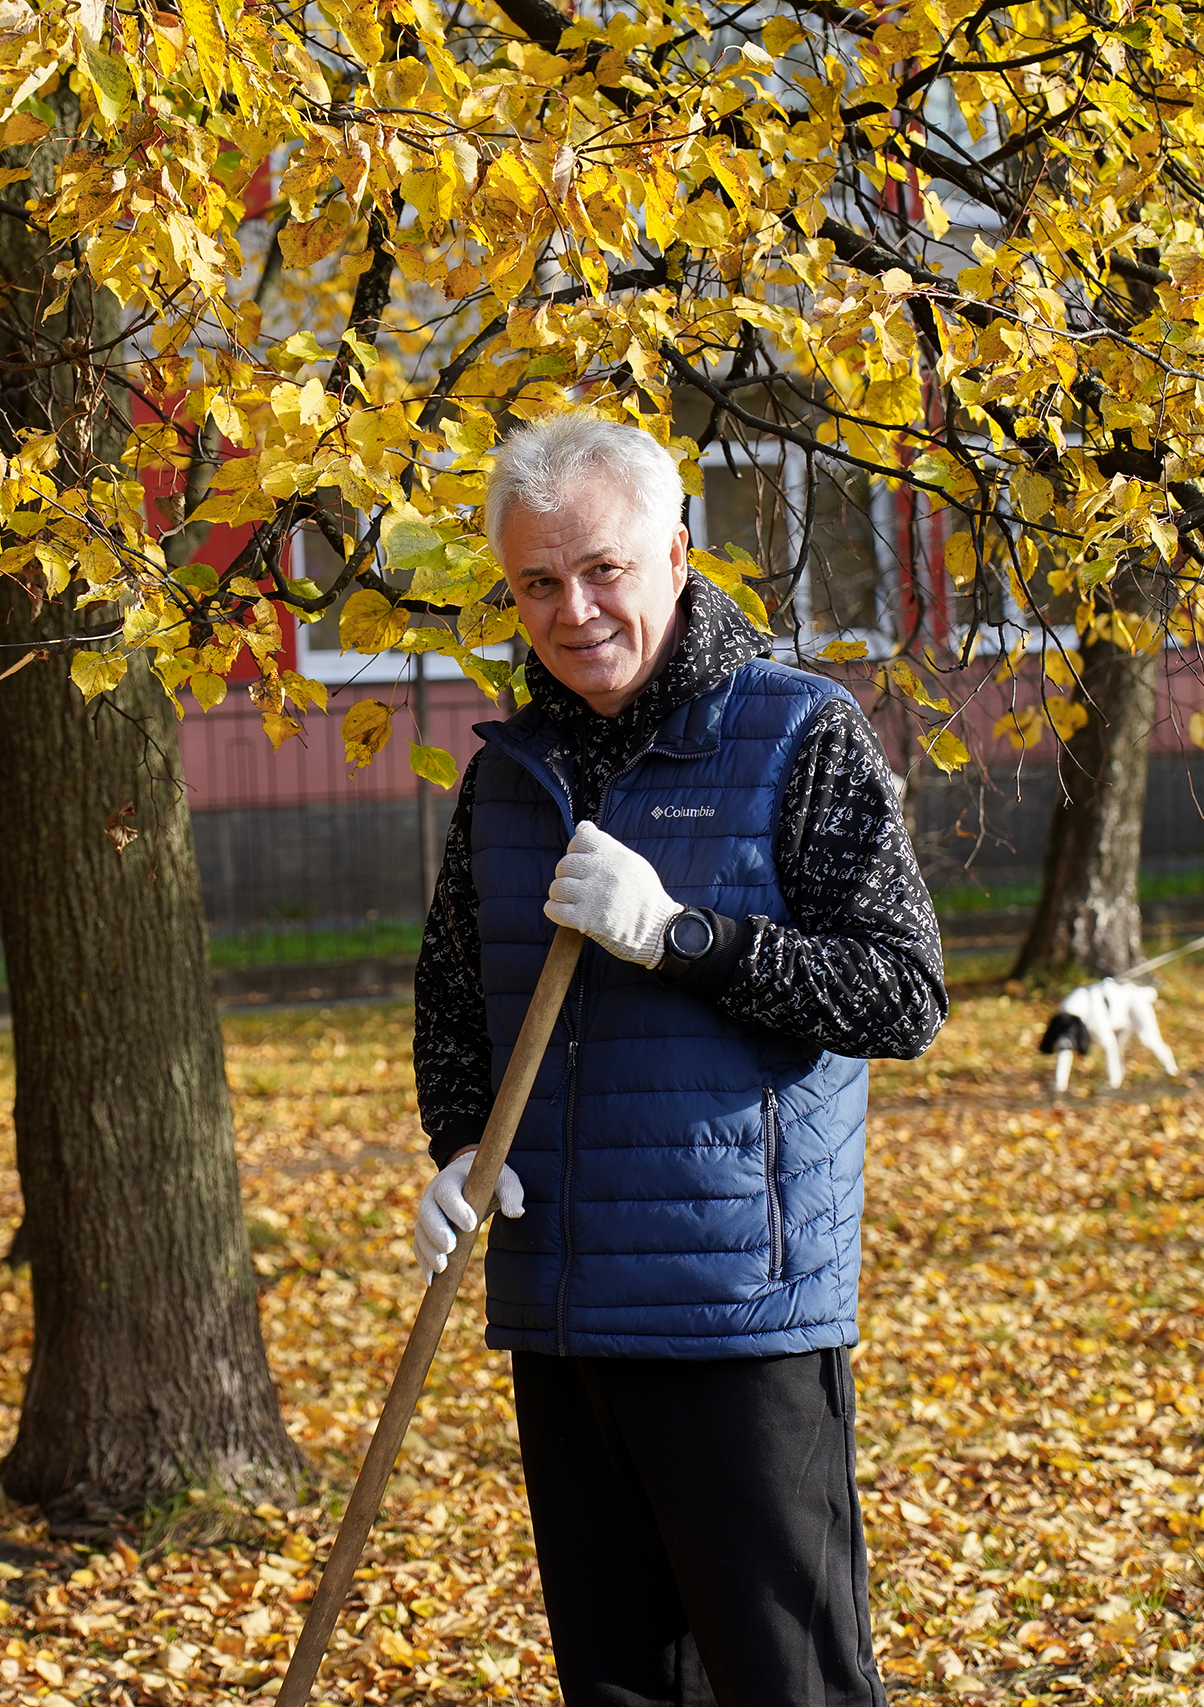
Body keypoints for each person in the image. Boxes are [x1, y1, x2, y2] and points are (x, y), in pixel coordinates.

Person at [408, 413, 948, 1707]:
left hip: (736, 1310)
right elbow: (452, 999)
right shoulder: (508, 778)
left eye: (603, 568)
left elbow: (902, 991)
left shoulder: (796, 734)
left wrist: (681, 935)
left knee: (789, 1682)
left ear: (678, 554)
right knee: (624, 1688)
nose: (573, 608)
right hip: (564, 1310)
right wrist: (460, 1143)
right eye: (539, 581)